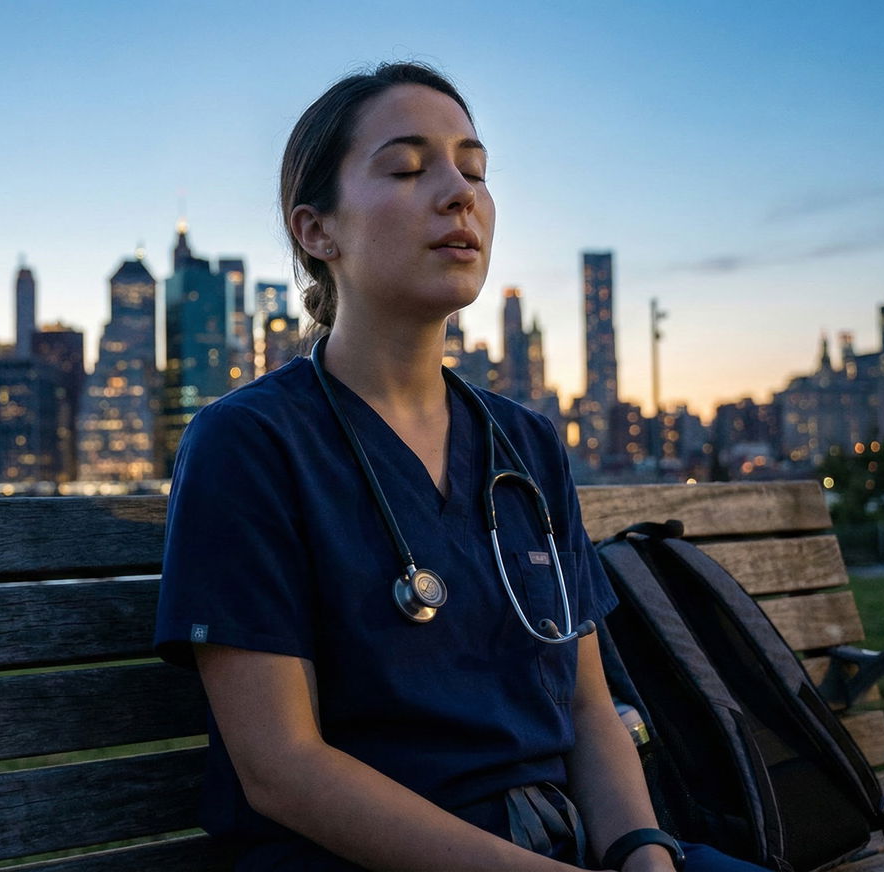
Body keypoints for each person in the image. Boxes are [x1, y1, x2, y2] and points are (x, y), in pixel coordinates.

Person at [153, 62, 770, 871]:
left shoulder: (525, 443)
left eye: (473, 170)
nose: (460, 193)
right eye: (409, 168)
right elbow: (282, 770)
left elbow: (589, 709)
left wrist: (644, 854)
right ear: (316, 231)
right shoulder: (251, 444)